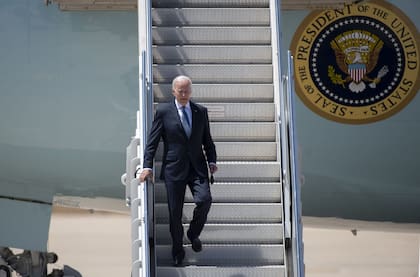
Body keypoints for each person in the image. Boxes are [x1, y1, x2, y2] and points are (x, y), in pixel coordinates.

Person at [138, 75, 218, 267]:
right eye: (180, 91)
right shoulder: (164, 111)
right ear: (173, 91)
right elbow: (152, 142)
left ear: (191, 91)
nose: (184, 94)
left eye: (187, 91)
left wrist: (212, 161)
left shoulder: (200, 111)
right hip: (174, 169)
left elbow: (207, 140)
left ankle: (193, 233)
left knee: (205, 200)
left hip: (197, 168)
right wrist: (147, 166)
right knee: (175, 214)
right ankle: (177, 251)